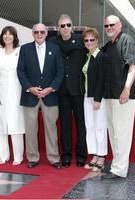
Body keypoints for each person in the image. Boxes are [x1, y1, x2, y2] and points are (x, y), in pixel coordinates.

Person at [17, 23, 64, 169]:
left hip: (50, 95)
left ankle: (54, 158)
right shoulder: (25, 49)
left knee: (51, 128)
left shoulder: (55, 49)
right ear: (32, 33)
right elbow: (20, 71)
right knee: (31, 128)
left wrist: (51, 88)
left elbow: (60, 71)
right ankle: (32, 157)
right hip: (30, 95)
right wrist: (30, 88)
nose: (39, 34)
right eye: (36, 32)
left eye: (42, 32)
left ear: (46, 34)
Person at [101, 15, 135, 179]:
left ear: (120, 25)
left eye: (112, 25)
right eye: (106, 26)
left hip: (122, 95)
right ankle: (116, 166)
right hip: (109, 95)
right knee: (113, 132)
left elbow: (133, 66)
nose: (109, 28)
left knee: (121, 133)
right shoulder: (108, 45)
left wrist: (127, 89)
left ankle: (119, 170)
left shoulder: (127, 40)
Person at [49, 14, 87, 167]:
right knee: (64, 124)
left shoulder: (81, 40)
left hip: (78, 88)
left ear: (72, 26)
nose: (65, 28)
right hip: (61, 90)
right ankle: (65, 154)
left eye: (68, 25)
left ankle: (81, 155)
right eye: (62, 26)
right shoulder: (52, 43)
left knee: (80, 123)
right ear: (58, 28)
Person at [0, 26, 25, 165]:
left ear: (14, 37)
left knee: (16, 123)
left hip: (17, 91)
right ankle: (3, 156)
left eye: (10, 34)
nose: (7, 36)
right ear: (2, 37)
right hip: (1, 91)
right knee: (1, 123)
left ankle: (18, 156)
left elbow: (23, 71)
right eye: (5, 34)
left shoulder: (20, 51)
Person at [81, 28, 108, 172]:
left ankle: (101, 156)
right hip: (87, 96)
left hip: (98, 98)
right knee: (90, 127)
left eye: (92, 39)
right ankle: (94, 155)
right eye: (86, 40)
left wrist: (98, 99)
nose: (89, 42)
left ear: (97, 41)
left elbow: (102, 80)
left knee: (100, 127)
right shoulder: (87, 57)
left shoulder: (101, 57)